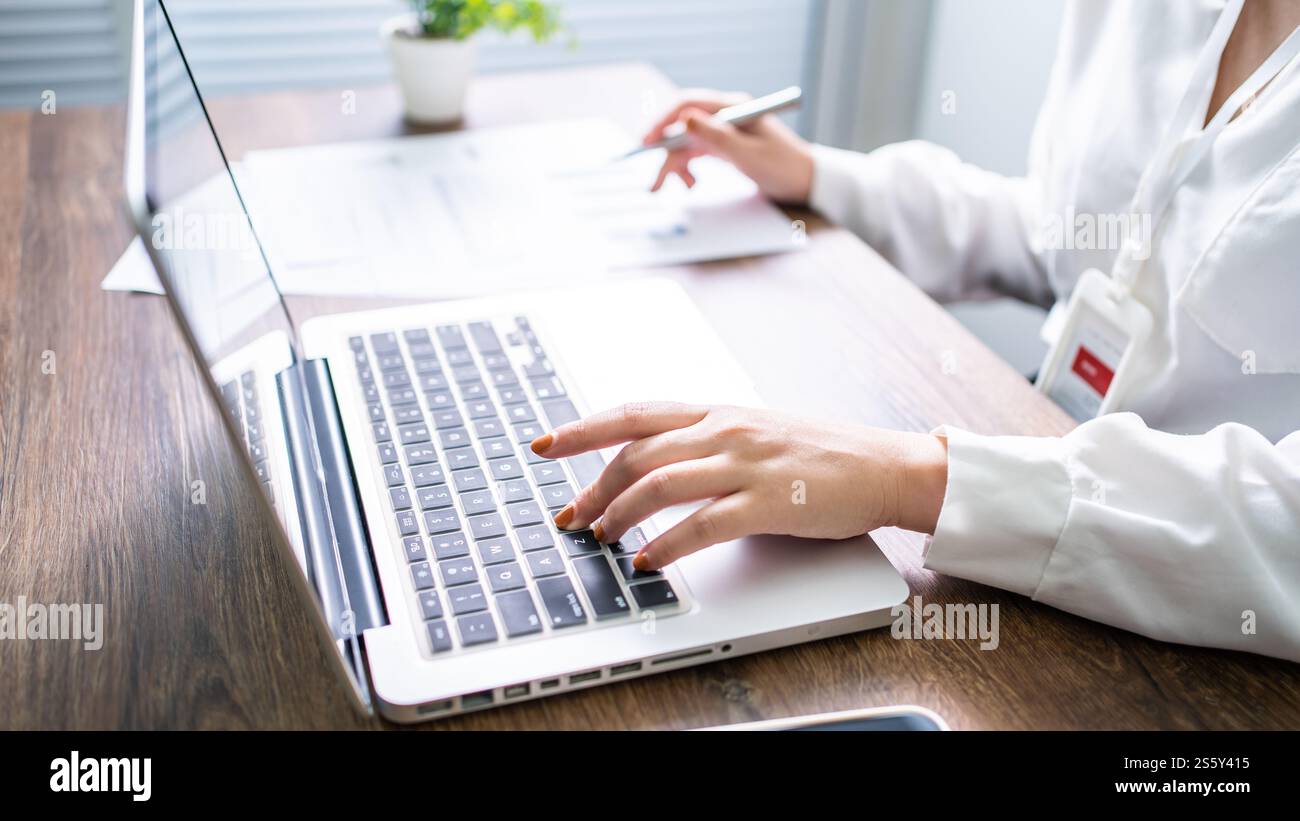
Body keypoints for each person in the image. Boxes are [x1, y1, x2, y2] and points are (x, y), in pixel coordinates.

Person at [529, 0, 1300, 663]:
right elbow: (1069, 236)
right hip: (1041, 475)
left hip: (1207, 639)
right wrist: (817, 178)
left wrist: (906, 477)